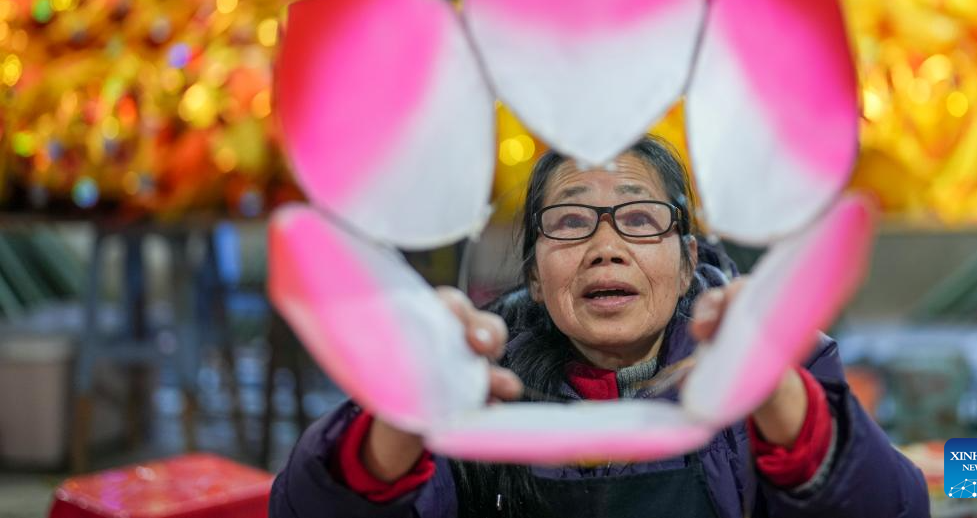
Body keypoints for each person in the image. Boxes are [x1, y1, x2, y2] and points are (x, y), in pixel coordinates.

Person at [270, 135, 929, 517]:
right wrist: (399, 410)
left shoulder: (779, 359)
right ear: (534, 275)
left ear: (686, 259)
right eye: (570, 221)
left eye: (640, 220)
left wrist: (777, 396)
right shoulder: (471, 383)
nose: (606, 246)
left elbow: (898, 505)